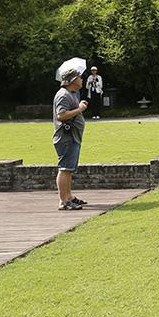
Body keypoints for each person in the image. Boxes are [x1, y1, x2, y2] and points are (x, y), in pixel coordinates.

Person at [53, 68, 89, 211]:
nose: (82, 79)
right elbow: (61, 115)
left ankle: (69, 197)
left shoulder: (71, 94)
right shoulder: (63, 95)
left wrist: (80, 106)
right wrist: (80, 109)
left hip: (72, 137)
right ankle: (63, 201)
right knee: (65, 169)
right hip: (66, 137)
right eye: (79, 77)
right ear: (72, 80)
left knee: (69, 169)